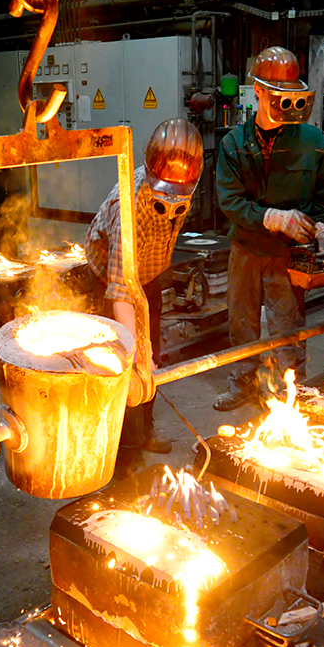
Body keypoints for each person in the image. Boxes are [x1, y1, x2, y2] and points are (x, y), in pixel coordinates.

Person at [212, 46, 324, 412]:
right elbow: (230, 201)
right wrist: (272, 217)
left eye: (291, 96)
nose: (286, 104)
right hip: (247, 249)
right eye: (277, 95)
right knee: (242, 323)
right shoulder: (234, 144)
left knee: (287, 325)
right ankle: (243, 383)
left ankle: (288, 390)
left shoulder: (313, 142)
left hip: (288, 255)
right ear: (259, 92)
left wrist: (322, 228)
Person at [83, 118, 206, 464]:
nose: (172, 200)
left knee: (151, 356)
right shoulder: (133, 204)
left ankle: (145, 431)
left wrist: (147, 352)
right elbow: (121, 291)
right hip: (111, 281)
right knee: (124, 363)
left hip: (147, 277)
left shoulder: (184, 189)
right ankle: (123, 454)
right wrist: (135, 351)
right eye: (166, 192)